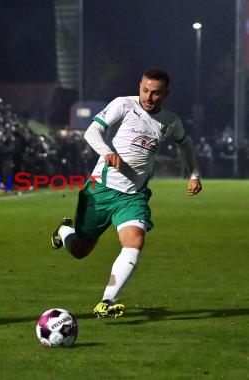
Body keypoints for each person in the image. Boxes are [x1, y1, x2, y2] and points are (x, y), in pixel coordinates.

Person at [50, 68, 202, 319]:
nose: (149, 97)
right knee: (80, 250)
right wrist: (106, 152)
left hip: (133, 196)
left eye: (156, 93)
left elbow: (185, 144)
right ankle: (64, 231)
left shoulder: (171, 121)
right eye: (145, 90)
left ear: (166, 94)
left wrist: (194, 173)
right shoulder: (123, 105)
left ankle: (106, 301)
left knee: (135, 242)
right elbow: (92, 132)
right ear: (139, 86)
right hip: (101, 191)